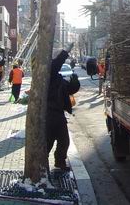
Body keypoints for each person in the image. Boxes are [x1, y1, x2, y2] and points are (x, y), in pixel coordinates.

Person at [47, 43, 80, 171]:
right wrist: (65, 52)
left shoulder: (59, 79)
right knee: (48, 142)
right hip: (49, 114)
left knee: (64, 141)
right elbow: (56, 64)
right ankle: (42, 164)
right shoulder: (49, 74)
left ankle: (60, 162)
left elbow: (70, 89)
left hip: (59, 114)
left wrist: (75, 81)